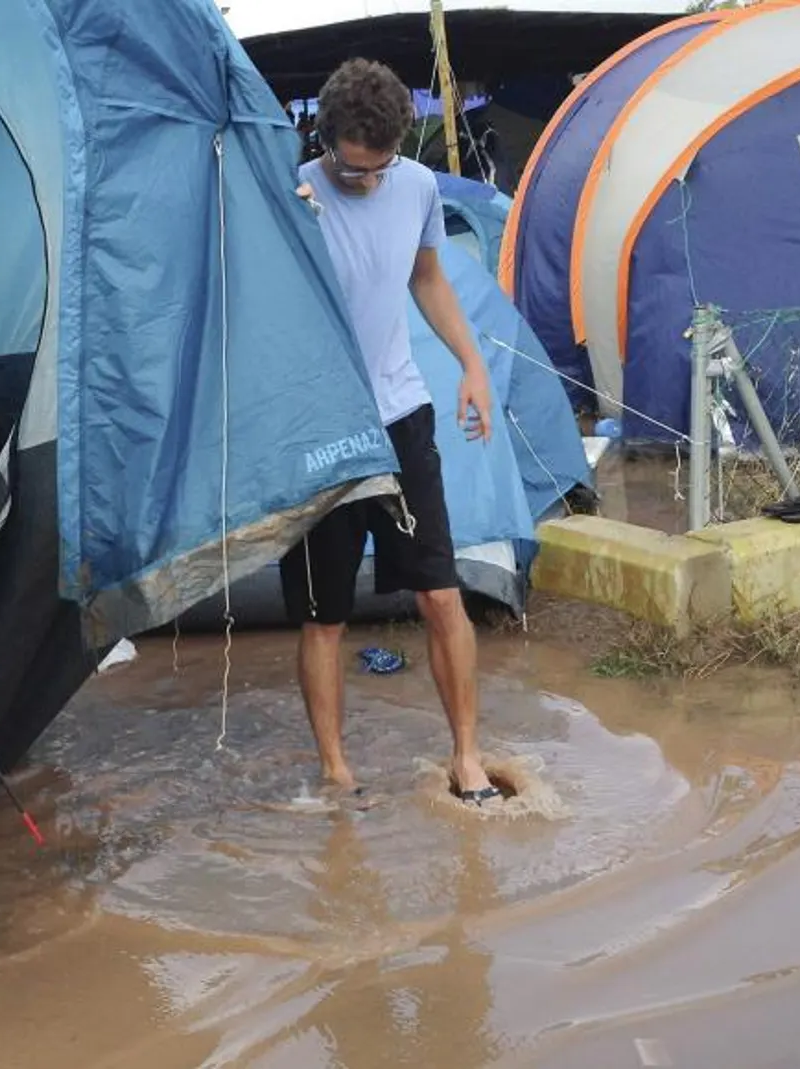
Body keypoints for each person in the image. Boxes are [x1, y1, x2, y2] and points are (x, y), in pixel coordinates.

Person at [282, 58, 499, 804]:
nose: (368, 183)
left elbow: (428, 277)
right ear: (327, 139)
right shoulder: (292, 190)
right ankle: (336, 768)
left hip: (403, 417)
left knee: (441, 594)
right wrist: (295, 209)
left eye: (379, 169)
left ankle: (467, 756)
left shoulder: (416, 184)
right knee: (324, 616)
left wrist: (472, 364)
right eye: (354, 170)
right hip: (321, 431)